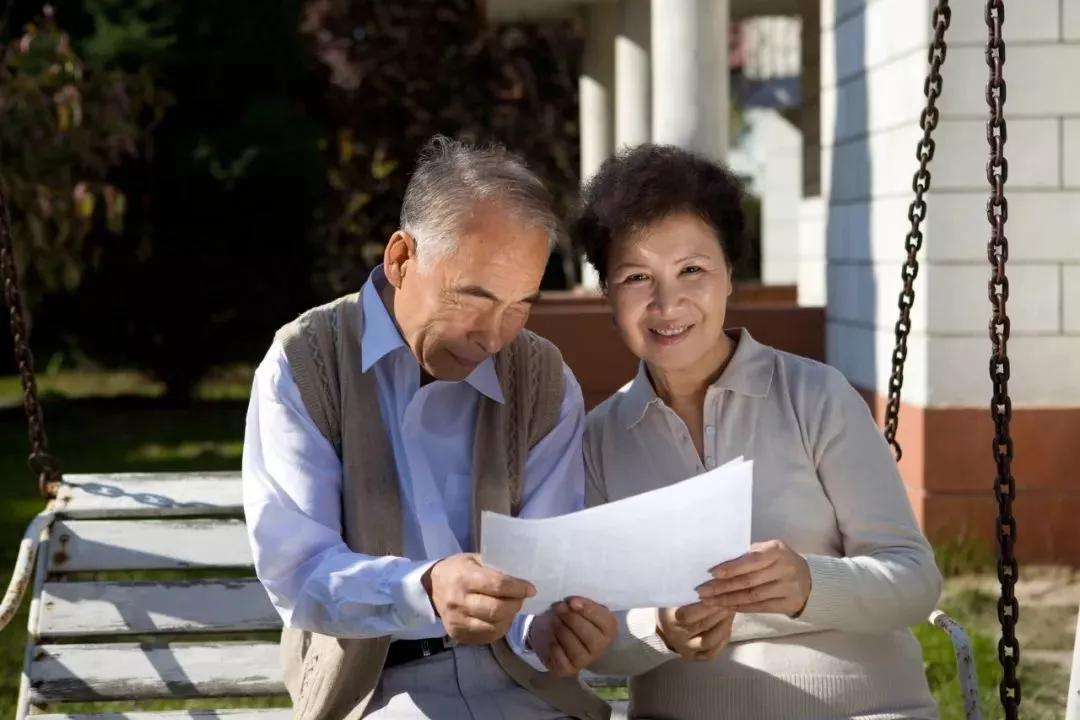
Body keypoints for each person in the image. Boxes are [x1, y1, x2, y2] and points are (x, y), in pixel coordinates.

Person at [241, 135, 619, 720]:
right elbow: (299, 574)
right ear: (400, 259)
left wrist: (556, 632)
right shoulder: (305, 363)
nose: (495, 335)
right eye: (473, 296)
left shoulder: (543, 378)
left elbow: (544, 575)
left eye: (521, 303)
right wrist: (424, 590)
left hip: (524, 687)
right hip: (375, 692)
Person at [572, 144, 944, 720]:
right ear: (607, 295)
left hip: (862, 710)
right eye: (637, 277)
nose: (667, 303)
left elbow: (914, 580)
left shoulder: (816, 397)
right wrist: (659, 629)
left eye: (692, 270)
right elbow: (593, 640)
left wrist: (808, 584)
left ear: (728, 278)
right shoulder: (599, 439)